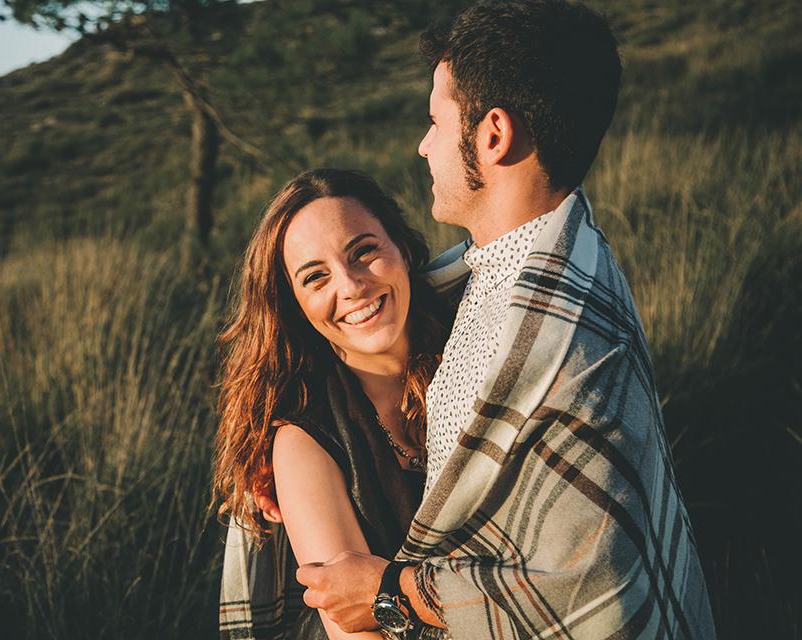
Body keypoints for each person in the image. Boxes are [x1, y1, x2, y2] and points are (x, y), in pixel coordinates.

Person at [262, 1, 717, 639]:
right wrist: (286, 453)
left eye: (435, 122)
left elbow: (591, 592)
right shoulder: (553, 257)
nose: (423, 146)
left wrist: (391, 590)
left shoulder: (542, 339)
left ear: (493, 135)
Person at [214, 168, 463, 639]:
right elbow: (355, 631)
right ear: (295, 306)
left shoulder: (483, 340)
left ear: (402, 248)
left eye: (364, 251)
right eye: (315, 277)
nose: (350, 286)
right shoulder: (305, 442)